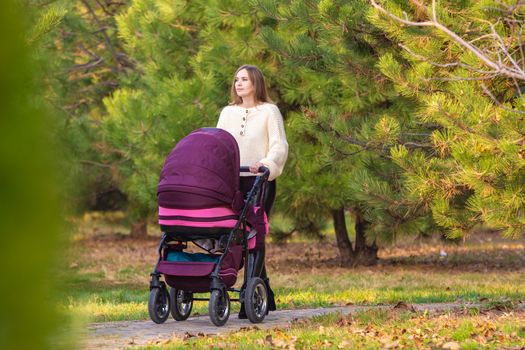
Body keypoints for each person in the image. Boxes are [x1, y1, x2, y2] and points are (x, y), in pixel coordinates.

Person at [216, 64, 288, 318]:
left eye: (244, 79)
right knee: (235, 236)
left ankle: (250, 291)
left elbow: (279, 146)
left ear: (256, 83)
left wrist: (266, 164)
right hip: (232, 182)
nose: (239, 84)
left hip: (260, 181)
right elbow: (219, 145)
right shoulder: (227, 113)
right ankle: (262, 291)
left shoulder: (270, 111)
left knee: (255, 234)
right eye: (236, 79)